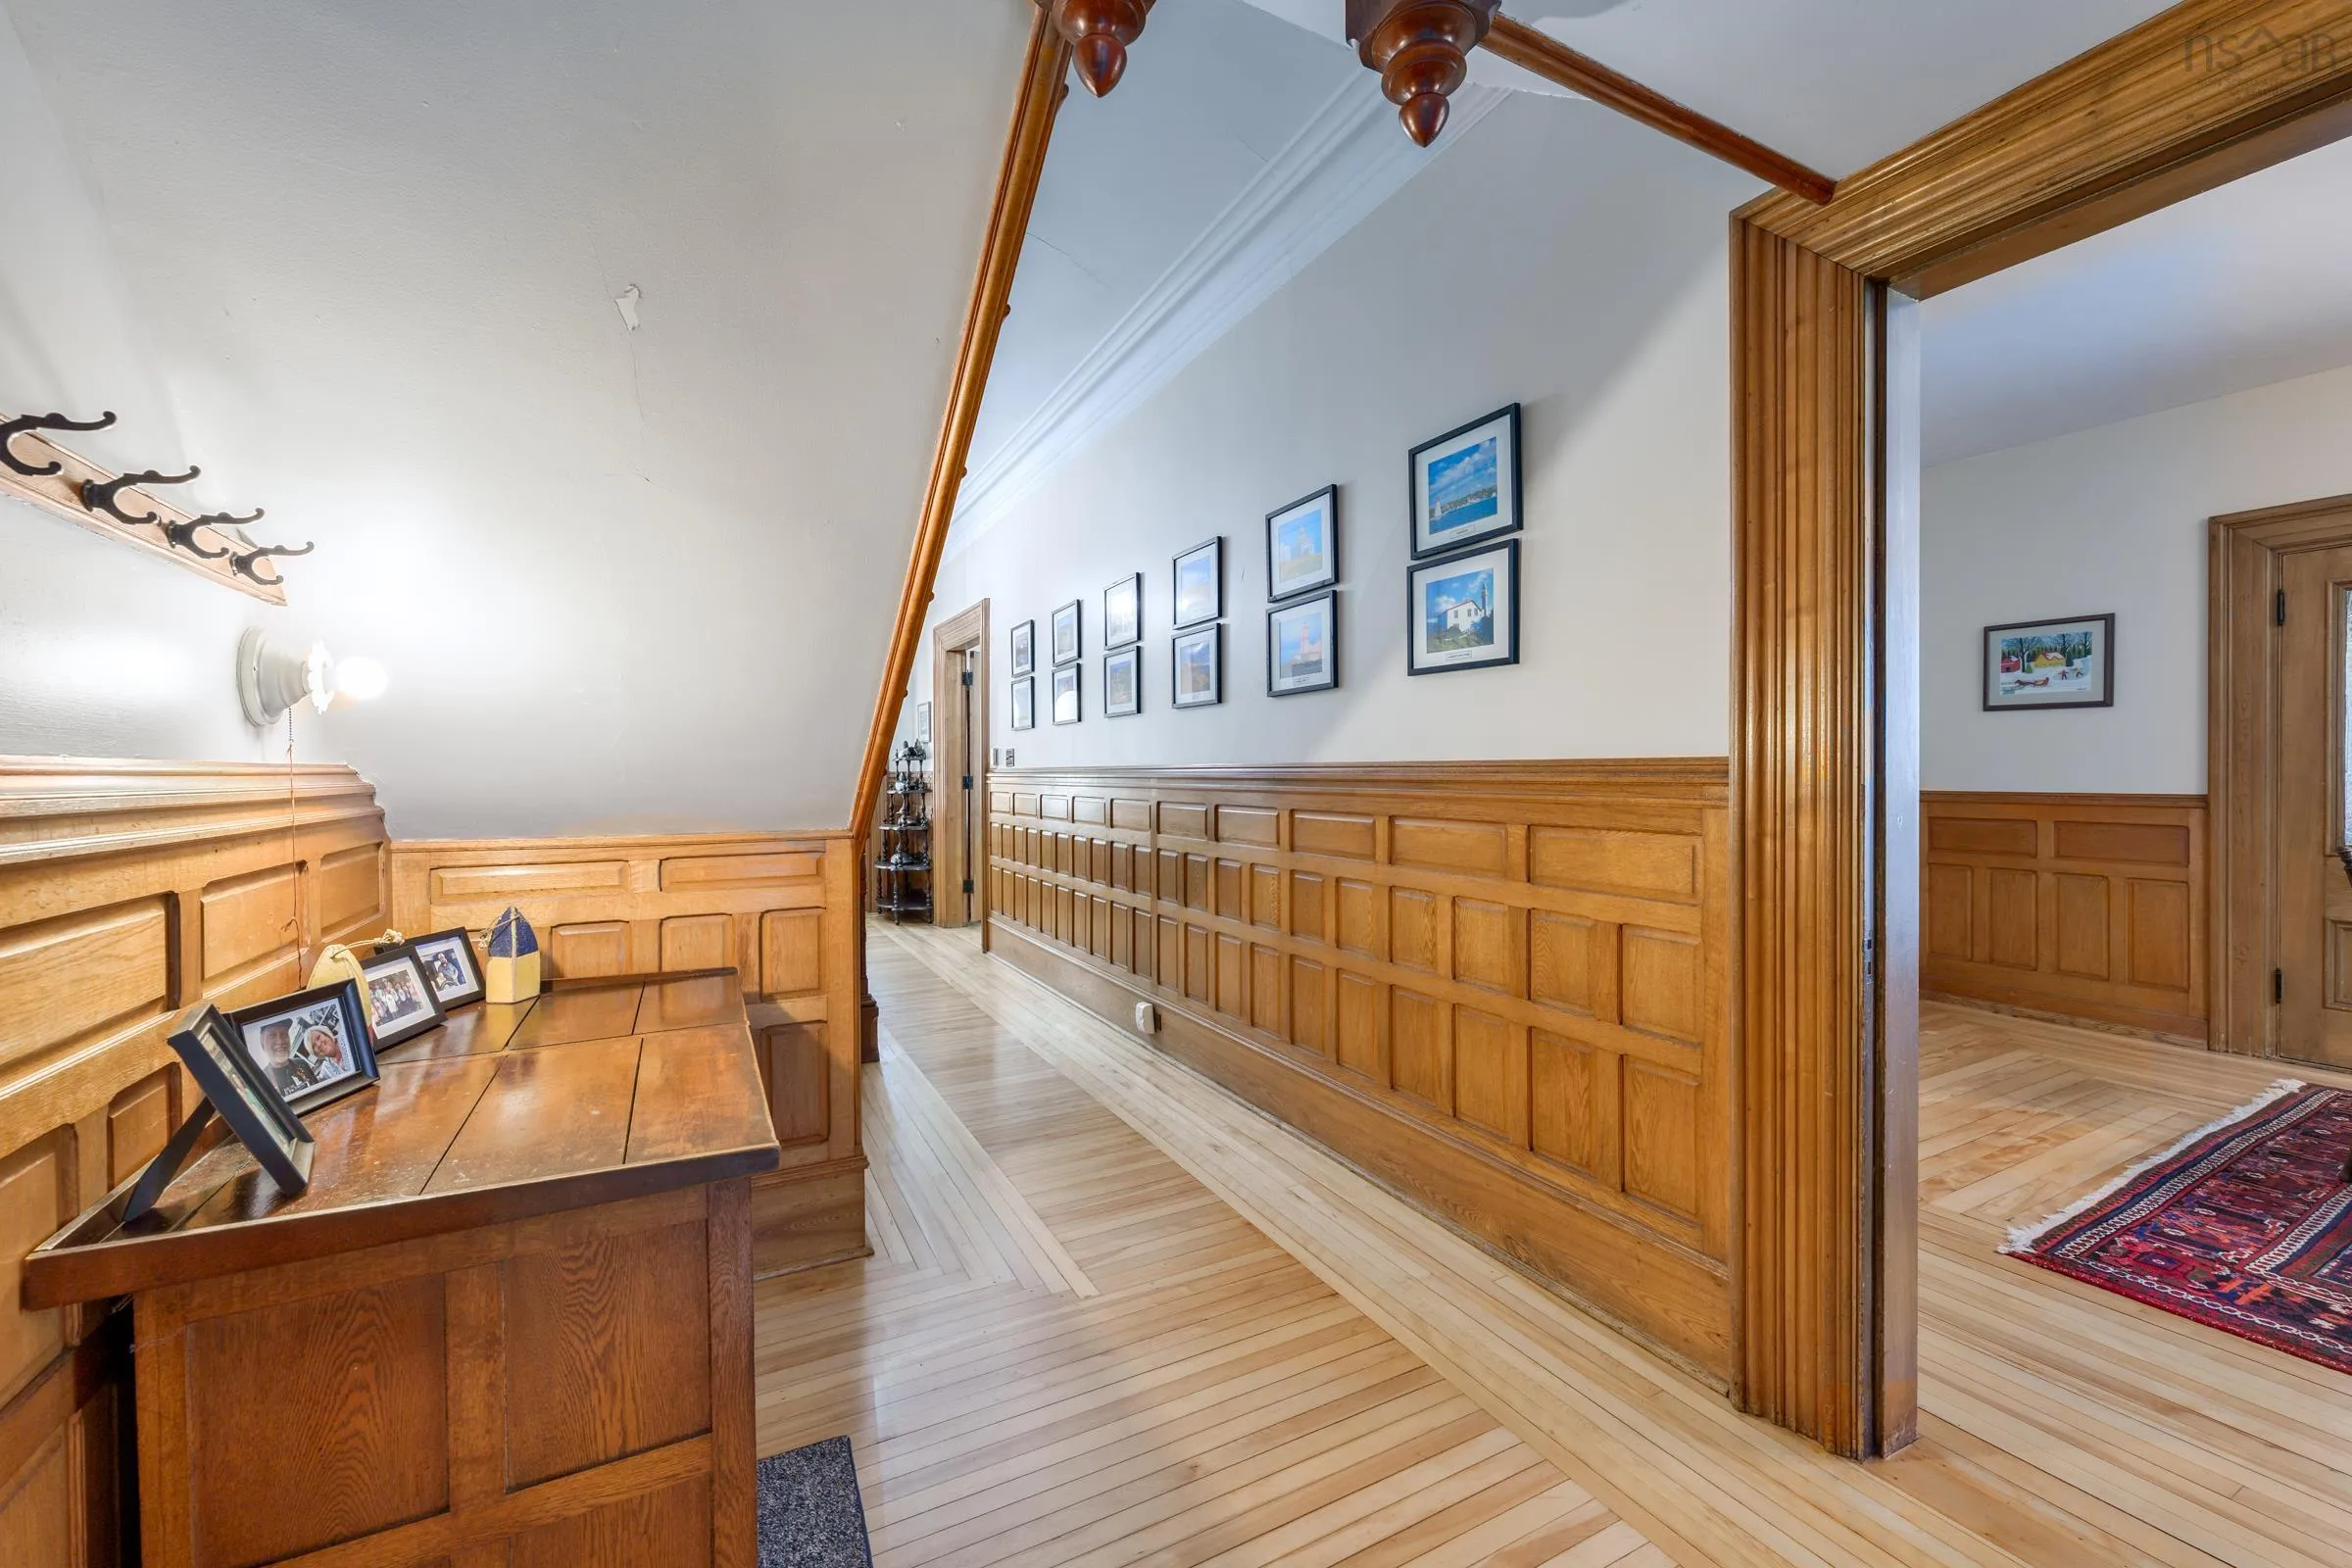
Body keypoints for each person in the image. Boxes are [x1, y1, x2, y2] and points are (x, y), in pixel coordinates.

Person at [257, 1020, 318, 1097]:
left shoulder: (301, 1062)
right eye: (272, 1036)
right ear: (263, 1045)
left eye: (284, 1034)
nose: (280, 1041)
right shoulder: (261, 1080)